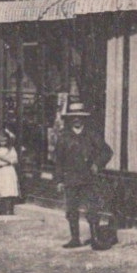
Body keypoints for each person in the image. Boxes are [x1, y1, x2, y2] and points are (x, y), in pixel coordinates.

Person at [54, 99, 113, 249]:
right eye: (74, 117)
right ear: (69, 119)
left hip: (89, 178)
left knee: (92, 208)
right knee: (71, 209)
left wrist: (97, 164)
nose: (76, 119)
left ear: (84, 119)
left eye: (79, 117)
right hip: (70, 178)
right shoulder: (63, 137)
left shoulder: (92, 135)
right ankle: (75, 239)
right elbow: (58, 161)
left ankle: (95, 239)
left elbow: (107, 152)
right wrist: (59, 180)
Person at [0, 130, 20, 216]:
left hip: (8, 170)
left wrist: (6, 159)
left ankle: (8, 210)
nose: (3, 142)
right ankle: (0, 210)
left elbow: (15, 161)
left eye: (5, 140)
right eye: (1, 140)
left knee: (8, 189)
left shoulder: (11, 149)